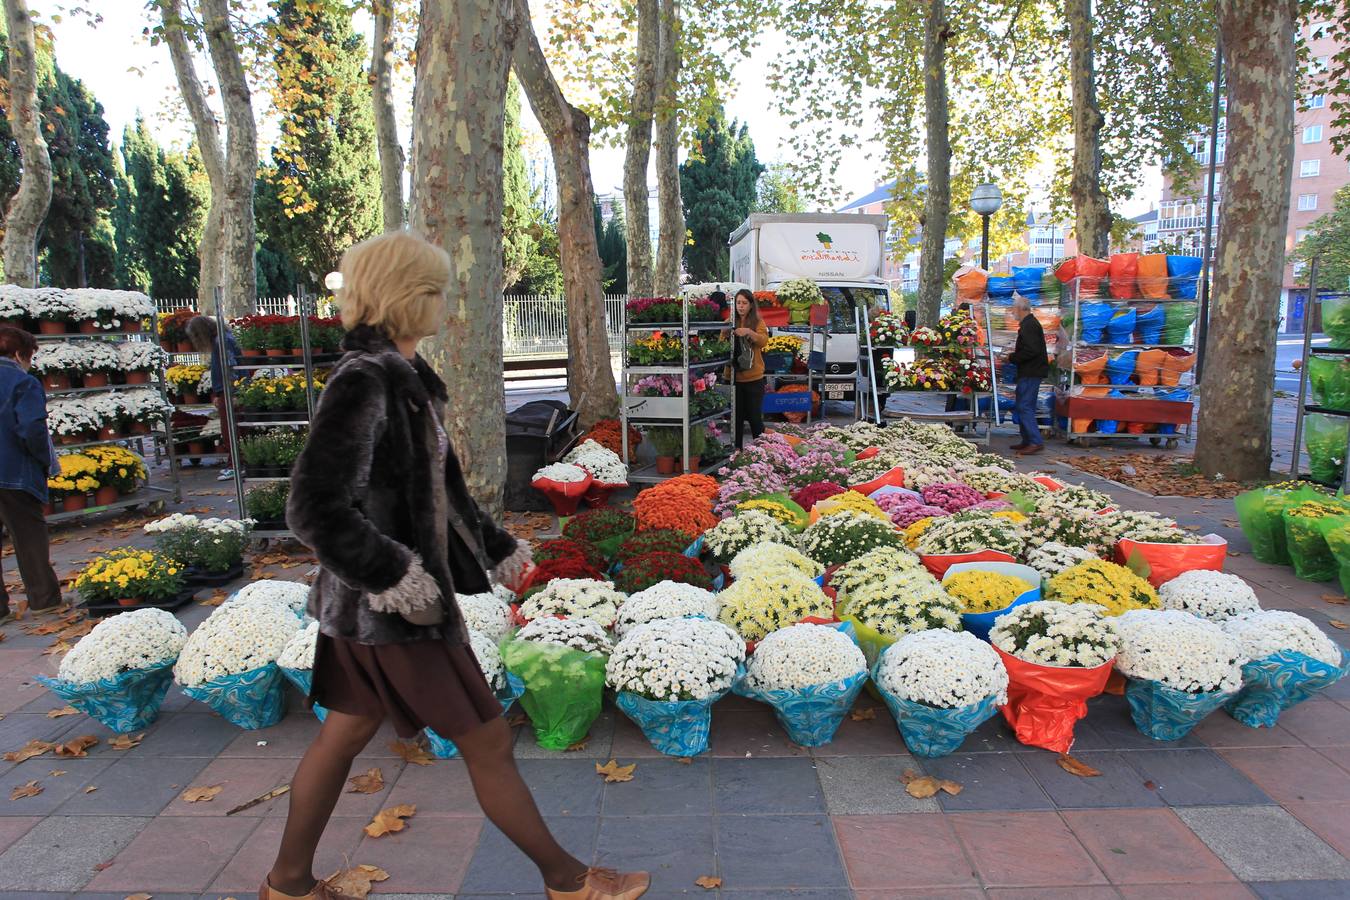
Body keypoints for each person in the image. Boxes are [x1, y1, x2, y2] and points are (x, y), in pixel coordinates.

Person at [264, 232, 648, 900]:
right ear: (405, 295)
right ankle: (570, 882)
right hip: (392, 613)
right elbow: (313, 507)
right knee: (490, 742)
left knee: (343, 737)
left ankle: (287, 885)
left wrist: (494, 549)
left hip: (363, 610)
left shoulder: (403, 377)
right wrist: (392, 577)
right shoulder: (367, 379)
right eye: (436, 289)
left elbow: (437, 494)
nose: (447, 302)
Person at [0, 325, 61, 621]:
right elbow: (32, 428)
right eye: (29, 356)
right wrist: (42, 461)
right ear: (18, 354)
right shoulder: (22, 382)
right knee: (28, 536)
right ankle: (43, 599)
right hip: (13, 471)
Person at [185, 315, 242, 481]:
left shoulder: (221, 342)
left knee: (231, 431)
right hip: (228, 390)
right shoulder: (224, 338)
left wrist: (232, 392)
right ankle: (236, 464)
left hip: (230, 391)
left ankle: (236, 465)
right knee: (233, 430)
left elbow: (231, 368)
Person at [1007, 295, 1048, 456]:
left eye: (1014, 309)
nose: (1012, 312)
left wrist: (1012, 357)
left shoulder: (1029, 325)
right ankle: (1027, 439)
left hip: (1031, 371)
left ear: (1020, 309)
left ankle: (1035, 441)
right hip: (1029, 371)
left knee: (1025, 406)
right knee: (1023, 405)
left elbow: (1032, 350)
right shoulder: (1028, 324)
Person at [731, 288, 768, 449]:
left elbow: (763, 341)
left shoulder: (758, 322)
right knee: (736, 418)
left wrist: (748, 332)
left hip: (754, 379)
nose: (741, 306)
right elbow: (721, 341)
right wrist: (725, 332)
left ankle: (760, 452)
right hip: (734, 379)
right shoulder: (730, 321)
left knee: (754, 418)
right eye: (738, 303)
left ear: (751, 305)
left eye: (744, 303)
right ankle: (736, 450)